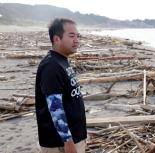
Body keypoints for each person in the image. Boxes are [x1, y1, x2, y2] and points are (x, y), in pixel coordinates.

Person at [35, 18, 87, 153]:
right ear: (56, 39)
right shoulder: (51, 66)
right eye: (71, 36)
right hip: (60, 144)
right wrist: (68, 141)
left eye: (77, 36)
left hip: (72, 138)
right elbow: (55, 107)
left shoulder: (61, 61)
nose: (76, 40)